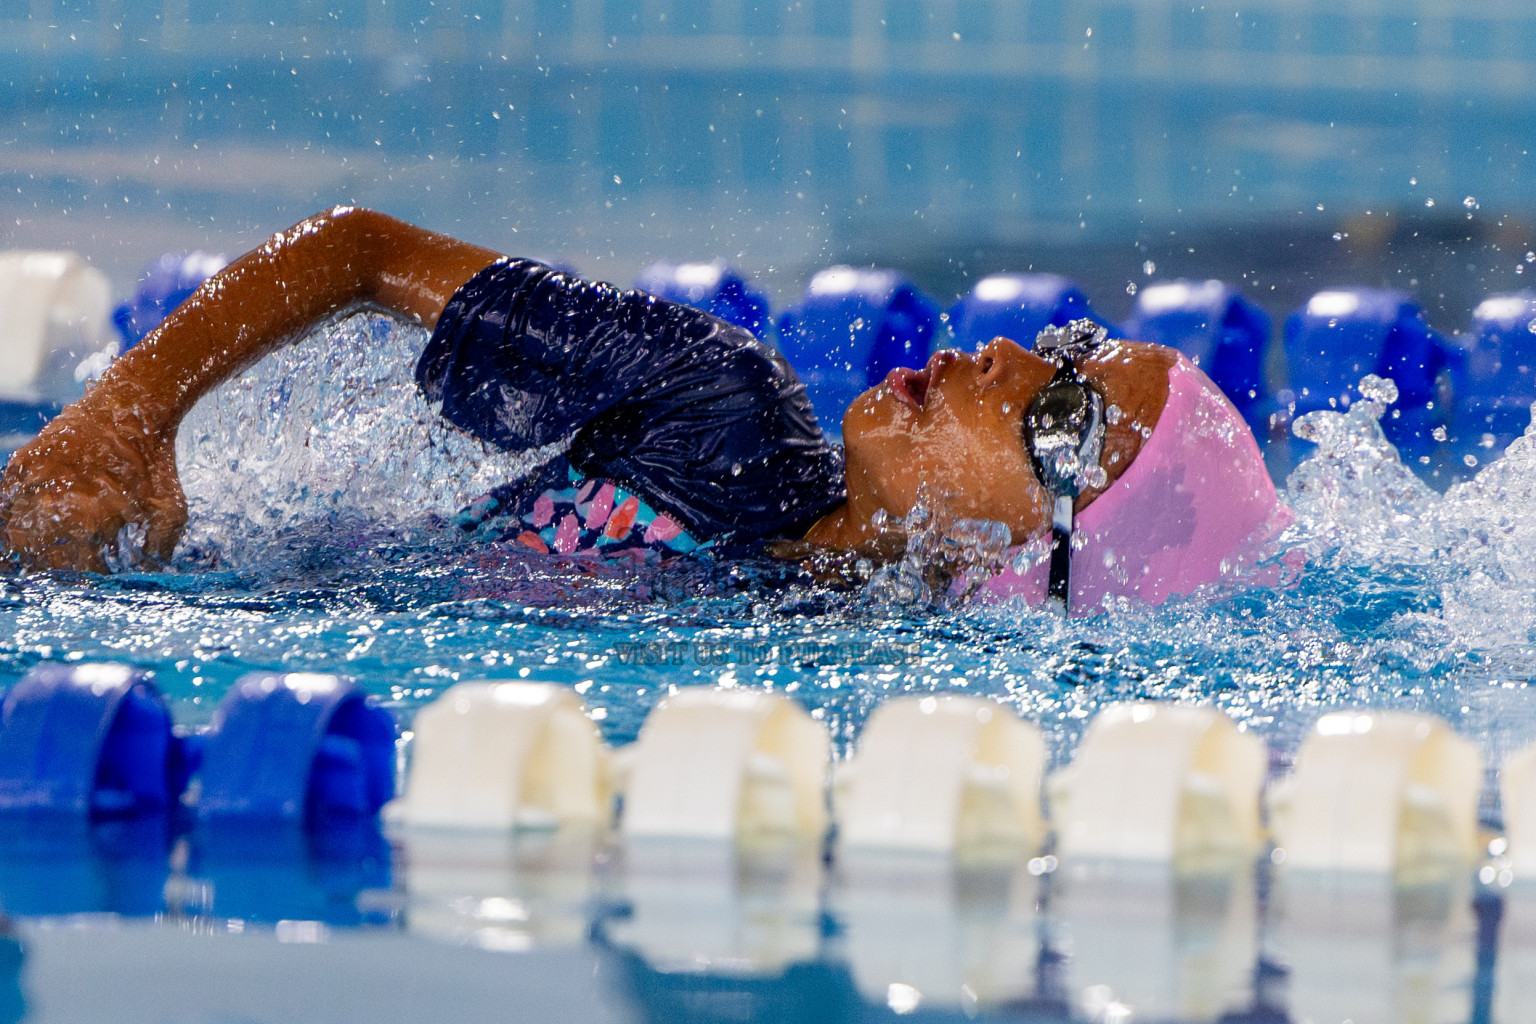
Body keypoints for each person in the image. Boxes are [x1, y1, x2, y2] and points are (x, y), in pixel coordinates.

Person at [0, 207, 1285, 612]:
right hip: (222, 579)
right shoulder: (716, 399)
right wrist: (129, 417)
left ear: (1040, 562)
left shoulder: (885, 713)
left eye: (1057, 406)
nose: (1000, 350)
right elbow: (355, 250)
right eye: (1059, 345)